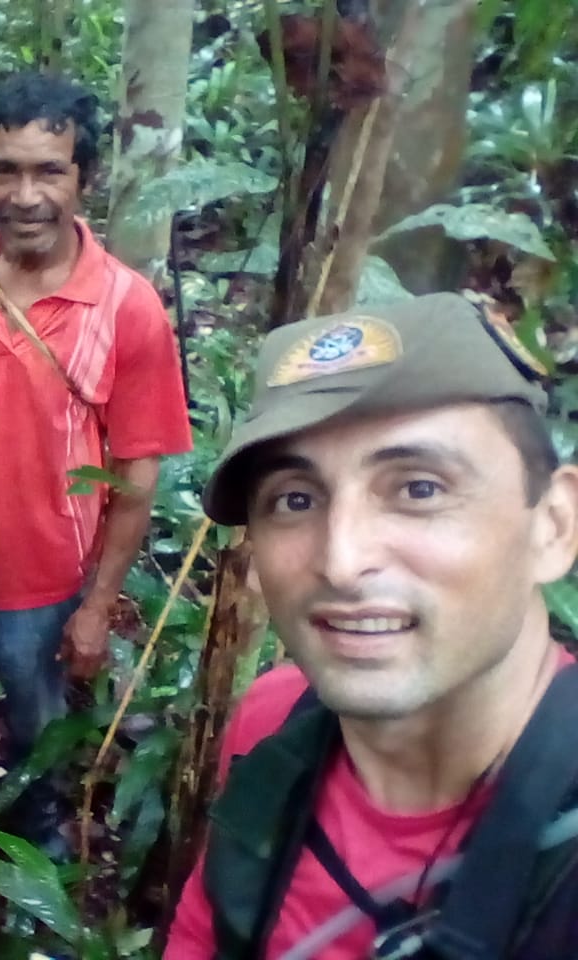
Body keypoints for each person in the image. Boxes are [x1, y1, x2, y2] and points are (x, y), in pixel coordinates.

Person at [164, 293, 578, 959]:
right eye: (294, 500)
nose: (342, 561)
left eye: (419, 489)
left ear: (552, 527)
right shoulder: (275, 723)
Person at [0, 71, 193, 862]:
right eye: (5, 170)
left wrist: (98, 606)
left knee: (38, 720)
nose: (25, 194)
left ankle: (40, 848)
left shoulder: (128, 308)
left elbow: (137, 473)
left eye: (48, 171)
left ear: (84, 179)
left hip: (49, 583)